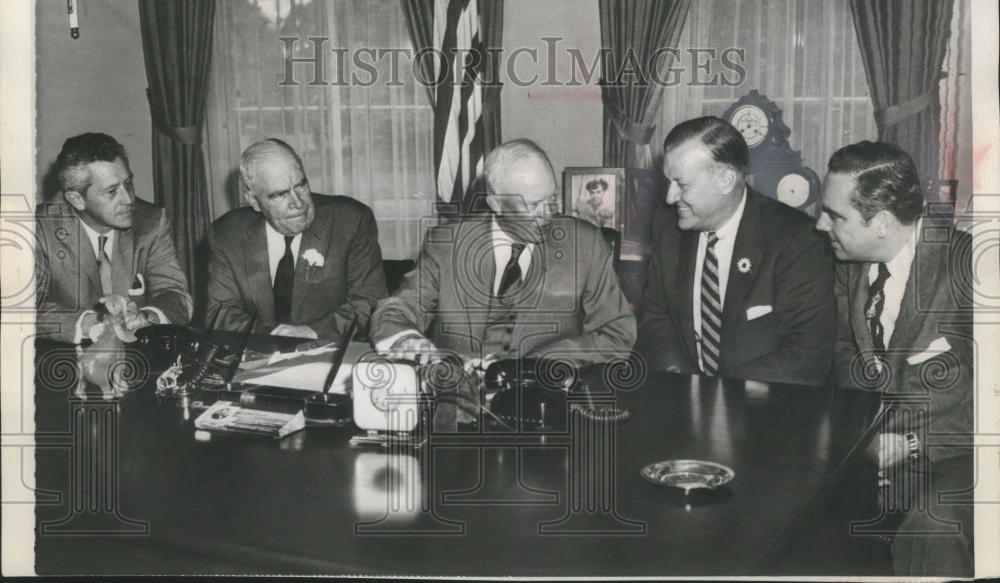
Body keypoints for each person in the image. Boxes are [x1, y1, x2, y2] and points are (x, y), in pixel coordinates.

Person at [816, 141, 973, 577]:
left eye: (835, 215)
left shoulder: (969, 266)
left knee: (933, 529)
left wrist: (911, 444)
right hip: (872, 453)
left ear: (881, 222)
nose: (819, 224)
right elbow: (847, 355)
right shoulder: (850, 264)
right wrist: (865, 436)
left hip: (960, 455)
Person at [372, 138, 635, 373]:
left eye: (551, 198)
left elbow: (617, 334)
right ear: (495, 203)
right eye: (532, 205)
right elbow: (395, 311)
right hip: (456, 402)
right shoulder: (446, 245)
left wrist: (538, 362)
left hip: (544, 397)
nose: (547, 215)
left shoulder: (585, 245)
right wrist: (406, 339)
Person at [636, 116, 834, 385]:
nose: (670, 198)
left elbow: (806, 355)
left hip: (764, 408)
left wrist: (717, 394)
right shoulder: (667, 224)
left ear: (726, 180)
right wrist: (681, 383)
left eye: (682, 185)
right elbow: (656, 318)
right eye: (668, 182)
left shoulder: (797, 239)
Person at [206, 139, 387, 342]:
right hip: (258, 356)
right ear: (254, 201)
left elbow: (369, 301)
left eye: (301, 185)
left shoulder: (351, 221)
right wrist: (273, 338)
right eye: (280, 195)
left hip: (331, 351)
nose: (298, 203)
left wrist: (313, 332)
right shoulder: (226, 234)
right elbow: (221, 313)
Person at [35, 133, 192, 343]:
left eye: (128, 184)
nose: (128, 200)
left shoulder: (151, 221)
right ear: (77, 200)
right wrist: (90, 323)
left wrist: (146, 318)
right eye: (112, 191)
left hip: (137, 359)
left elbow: (176, 295)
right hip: (60, 361)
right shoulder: (37, 229)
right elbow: (25, 310)